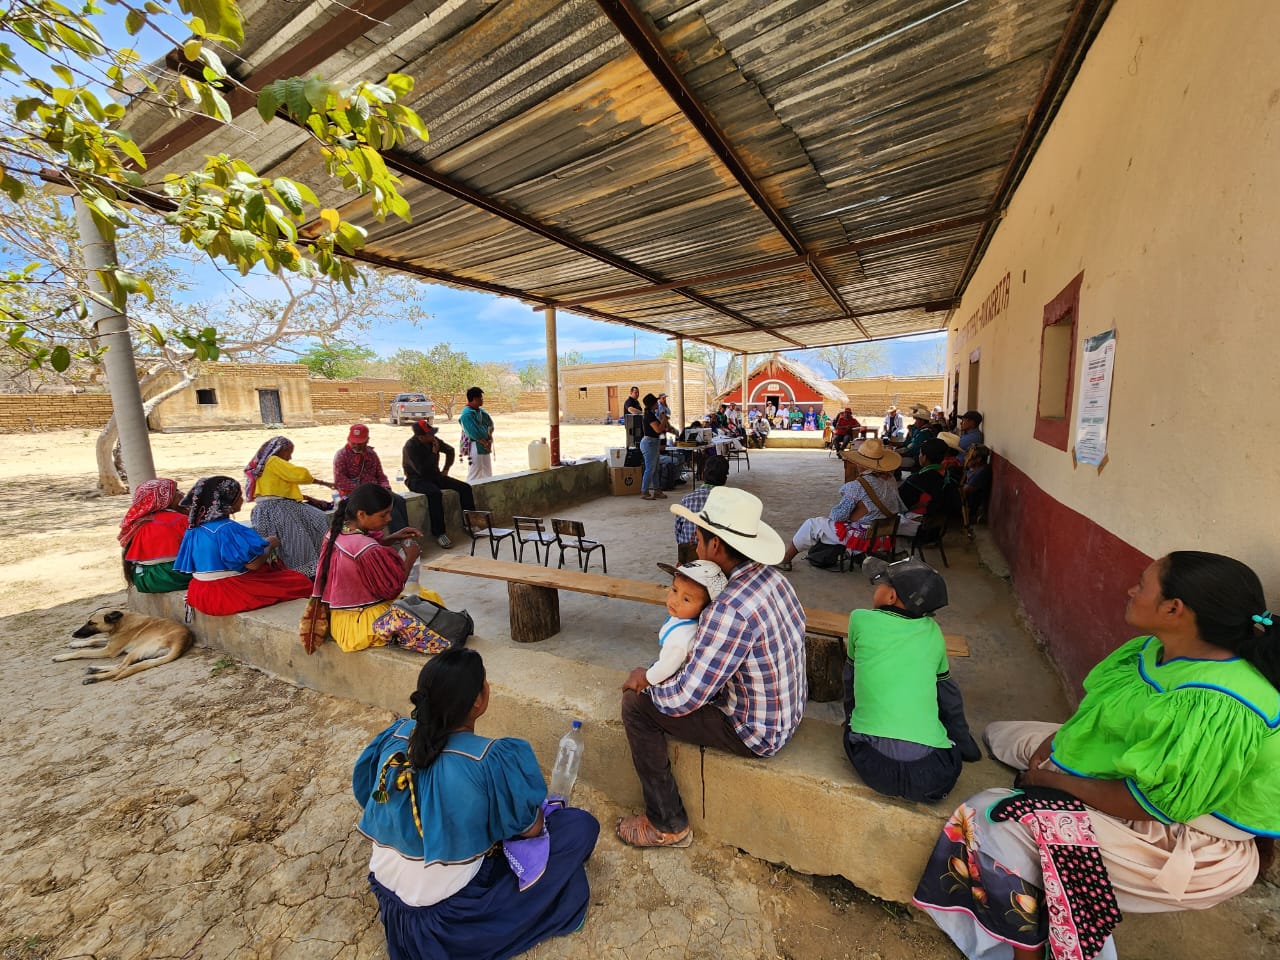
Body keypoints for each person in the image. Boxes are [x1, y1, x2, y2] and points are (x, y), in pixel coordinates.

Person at [914, 551, 1280, 960]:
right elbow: (1098, 713)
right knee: (1002, 735)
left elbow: (1151, 803)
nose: (1131, 590)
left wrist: (1050, 780)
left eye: (1143, 585)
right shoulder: (1160, 648)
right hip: (1141, 776)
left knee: (993, 815)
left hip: (1184, 836)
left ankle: (1048, 947)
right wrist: (1057, 744)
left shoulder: (1222, 703)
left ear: (1173, 609)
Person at [353, 649, 599, 960]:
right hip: (446, 926)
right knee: (579, 827)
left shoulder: (395, 737)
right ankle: (560, 911)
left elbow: (366, 794)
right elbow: (532, 829)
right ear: (478, 701)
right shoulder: (490, 759)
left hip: (393, 909)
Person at [617, 487, 806, 848]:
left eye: (699, 537)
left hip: (757, 732)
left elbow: (683, 699)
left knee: (636, 706)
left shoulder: (728, 608)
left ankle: (667, 823)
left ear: (715, 545)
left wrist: (646, 681)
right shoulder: (774, 578)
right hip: (788, 714)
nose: (695, 542)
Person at [844, 557, 980, 802]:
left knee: (853, 727)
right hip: (933, 773)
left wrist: (851, 718)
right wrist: (966, 745)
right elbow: (948, 696)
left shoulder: (860, 619)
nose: (876, 588)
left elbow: (851, 678)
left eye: (881, 584)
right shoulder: (934, 633)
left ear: (891, 596)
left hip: (872, 763)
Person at [175, 476, 312, 616]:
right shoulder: (227, 528)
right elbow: (253, 564)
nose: (242, 499)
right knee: (299, 581)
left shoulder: (195, 529)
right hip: (225, 593)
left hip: (200, 592)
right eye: (239, 496)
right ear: (226, 501)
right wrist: (270, 544)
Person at [313, 483, 422, 653]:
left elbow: (361, 552)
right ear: (361, 514)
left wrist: (392, 537)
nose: (389, 519)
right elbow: (392, 588)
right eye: (383, 515)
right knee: (427, 601)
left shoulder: (337, 531)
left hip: (342, 622)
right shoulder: (367, 548)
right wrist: (410, 558)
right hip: (364, 626)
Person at [775, 439, 906, 571]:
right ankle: (858, 554)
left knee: (812, 525)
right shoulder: (890, 479)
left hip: (863, 536)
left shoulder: (856, 486)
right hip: (885, 534)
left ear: (862, 464)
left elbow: (837, 516)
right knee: (841, 524)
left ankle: (786, 559)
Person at [244, 436, 333, 578]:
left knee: (318, 519)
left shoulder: (266, 465)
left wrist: (311, 498)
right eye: (289, 453)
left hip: (276, 507)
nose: (290, 457)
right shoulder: (273, 461)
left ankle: (318, 565)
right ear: (280, 450)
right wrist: (322, 483)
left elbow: (279, 490)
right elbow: (300, 475)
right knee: (297, 539)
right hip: (278, 509)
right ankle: (306, 572)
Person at [645, 560, 728, 686]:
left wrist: (645, 679)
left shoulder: (682, 638)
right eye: (674, 590)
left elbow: (665, 669)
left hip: (673, 680)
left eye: (686, 599)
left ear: (705, 608)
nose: (675, 601)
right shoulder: (684, 617)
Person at [403, 420, 475, 549]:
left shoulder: (434, 441)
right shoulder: (410, 447)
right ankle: (439, 533)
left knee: (465, 488)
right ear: (421, 437)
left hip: (435, 476)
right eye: (430, 434)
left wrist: (446, 469)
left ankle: (471, 523)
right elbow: (421, 470)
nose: (433, 436)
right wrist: (433, 453)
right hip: (417, 480)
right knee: (434, 493)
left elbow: (450, 450)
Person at [118, 477, 192, 593]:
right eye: (176, 491)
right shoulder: (179, 520)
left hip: (143, 578)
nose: (182, 494)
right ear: (165, 498)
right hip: (171, 576)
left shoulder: (138, 523)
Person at [333, 423, 409, 532]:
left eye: (360, 443)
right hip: (355, 493)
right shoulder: (341, 455)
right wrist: (364, 491)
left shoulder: (372, 454)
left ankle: (403, 533)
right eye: (353, 443)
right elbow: (340, 481)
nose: (356, 446)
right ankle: (399, 536)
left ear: (367, 440)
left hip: (375, 490)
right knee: (383, 506)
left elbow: (380, 475)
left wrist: (385, 487)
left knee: (398, 500)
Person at [673, 454, 729, 564]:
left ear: (703, 474)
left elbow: (678, 532)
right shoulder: (729, 501)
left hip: (688, 555)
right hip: (716, 557)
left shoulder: (687, 499)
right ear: (725, 479)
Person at [897, 437, 954, 537]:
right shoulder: (947, 475)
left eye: (920, 454)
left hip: (921, 528)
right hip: (939, 527)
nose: (919, 456)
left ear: (924, 457)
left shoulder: (917, 479)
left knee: (875, 522)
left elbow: (898, 504)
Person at [639, 392, 673, 501]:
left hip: (654, 443)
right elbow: (657, 429)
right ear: (652, 404)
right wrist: (664, 420)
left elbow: (661, 429)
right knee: (650, 468)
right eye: (656, 402)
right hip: (649, 443)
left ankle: (657, 490)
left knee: (656, 468)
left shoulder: (652, 414)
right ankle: (644, 491)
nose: (657, 404)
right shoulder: (649, 415)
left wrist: (665, 424)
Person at [459, 386, 495, 482]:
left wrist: (489, 439)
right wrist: (485, 443)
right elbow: (473, 432)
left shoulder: (481, 411)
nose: (482, 400)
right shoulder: (467, 414)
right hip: (475, 445)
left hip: (485, 445)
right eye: (481, 398)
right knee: (475, 472)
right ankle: (471, 489)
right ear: (475, 399)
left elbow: (490, 424)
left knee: (487, 471)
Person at [961, 444, 992, 525]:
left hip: (970, 508)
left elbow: (965, 490)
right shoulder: (973, 468)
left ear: (978, 459)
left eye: (969, 456)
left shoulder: (983, 471)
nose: (966, 458)